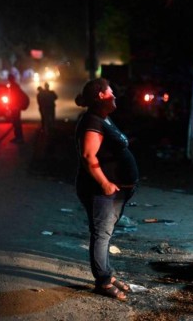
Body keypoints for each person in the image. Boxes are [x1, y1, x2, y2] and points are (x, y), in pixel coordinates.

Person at [74, 78, 139, 301]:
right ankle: (102, 281)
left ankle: (108, 275)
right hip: (99, 191)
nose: (115, 96)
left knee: (106, 233)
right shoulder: (92, 120)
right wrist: (104, 183)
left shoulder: (104, 119)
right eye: (111, 92)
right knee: (101, 235)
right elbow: (88, 155)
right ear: (100, 95)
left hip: (115, 190)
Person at [7, 74, 30, 143]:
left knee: (16, 123)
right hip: (15, 107)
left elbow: (14, 97)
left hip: (15, 107)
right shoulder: (14, 86)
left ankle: (19, 138)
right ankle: (18, 137)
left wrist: (14, 106)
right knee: (16, 123)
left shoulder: (14, 86)